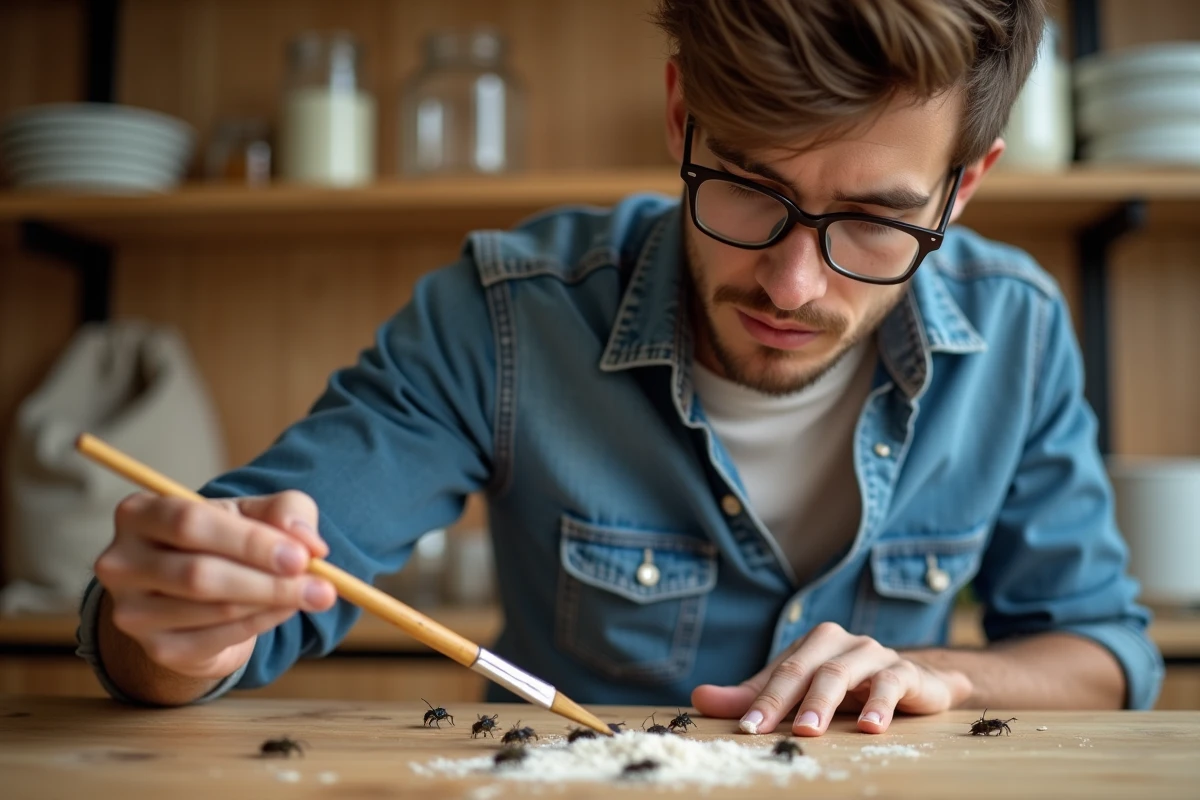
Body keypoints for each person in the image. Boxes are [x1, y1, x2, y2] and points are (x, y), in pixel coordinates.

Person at [76, 0, 1163, 737]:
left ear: (963, 188)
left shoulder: (1015, 329)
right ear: (684, 113)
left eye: (875, 223)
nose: (792, 284)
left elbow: (1106, 652)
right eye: (748, 188)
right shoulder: (503, 319)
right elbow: (213, 610)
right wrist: (173, 629)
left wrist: (950, 672)